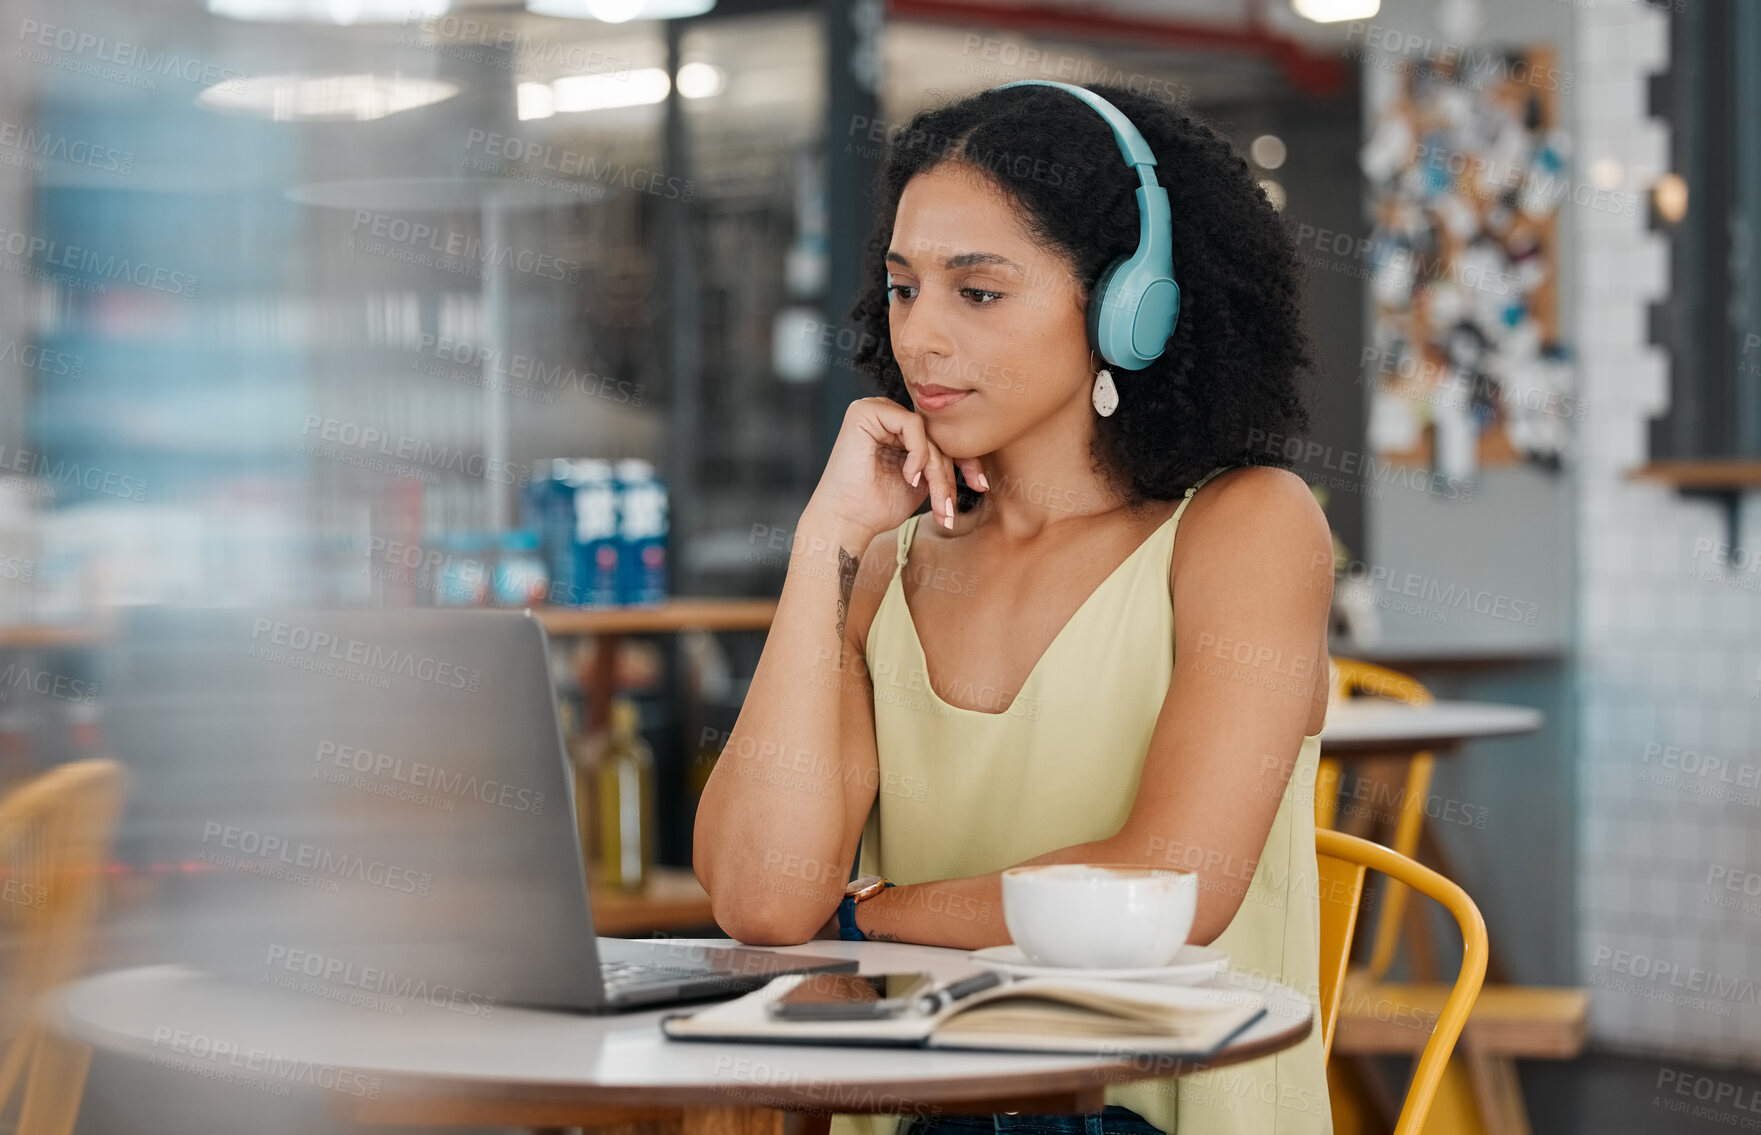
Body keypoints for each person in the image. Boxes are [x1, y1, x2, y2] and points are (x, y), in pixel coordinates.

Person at [693, 81, 1333, 1135]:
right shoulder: (889, 559)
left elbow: (1177, 883)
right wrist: (827, 544)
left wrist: (874, 915)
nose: (922, 338)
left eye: (977, 293)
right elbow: (764, 898)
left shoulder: (1248, 526)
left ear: (1135, 304)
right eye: (903, 289)